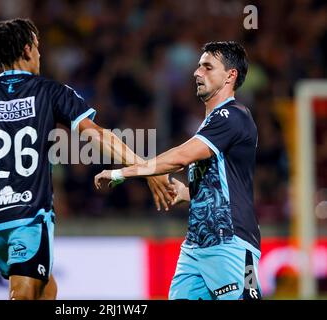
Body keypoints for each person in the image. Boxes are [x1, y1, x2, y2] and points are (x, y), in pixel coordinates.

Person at [0, 18, 176, 300]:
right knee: (23, 295)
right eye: (37, 46)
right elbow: (97, 135)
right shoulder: (50, 92)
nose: (39, 53)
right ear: (26, 49)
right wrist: (146, 168)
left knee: (46, 289)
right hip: (28, 218)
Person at [95, 41, 262, 300]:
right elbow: (222, 182)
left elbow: (181, 157)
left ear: (231, 75)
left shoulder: (234, 116)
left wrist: (123, 172)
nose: (197, 73)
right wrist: (188, 193)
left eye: (207, 67)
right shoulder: (211, 123)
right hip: (195, 247)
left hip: (231, 243)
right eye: (198, 67)